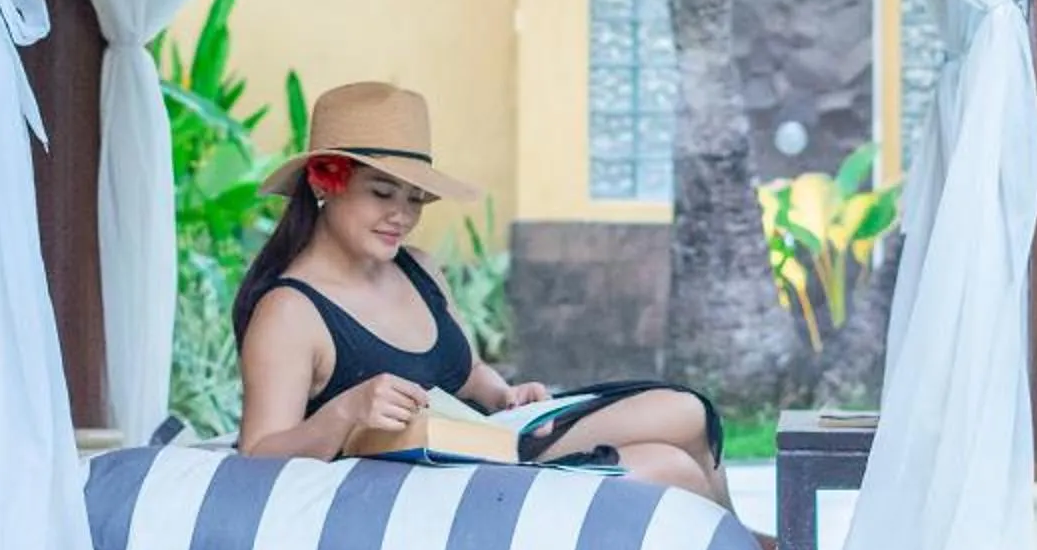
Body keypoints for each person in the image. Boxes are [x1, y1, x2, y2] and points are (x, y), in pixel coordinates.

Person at [232, 81, 734, 512]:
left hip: (489, 444)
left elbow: (465, 370)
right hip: (435, 490)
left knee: (688, 412)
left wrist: (502, 394)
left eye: (415, 199)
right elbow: (256, 457)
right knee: (672, 468)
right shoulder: (290, 311)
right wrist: (344, 412)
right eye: (382, 193)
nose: (402, 216)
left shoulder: (418, 267)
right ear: (326, 183)